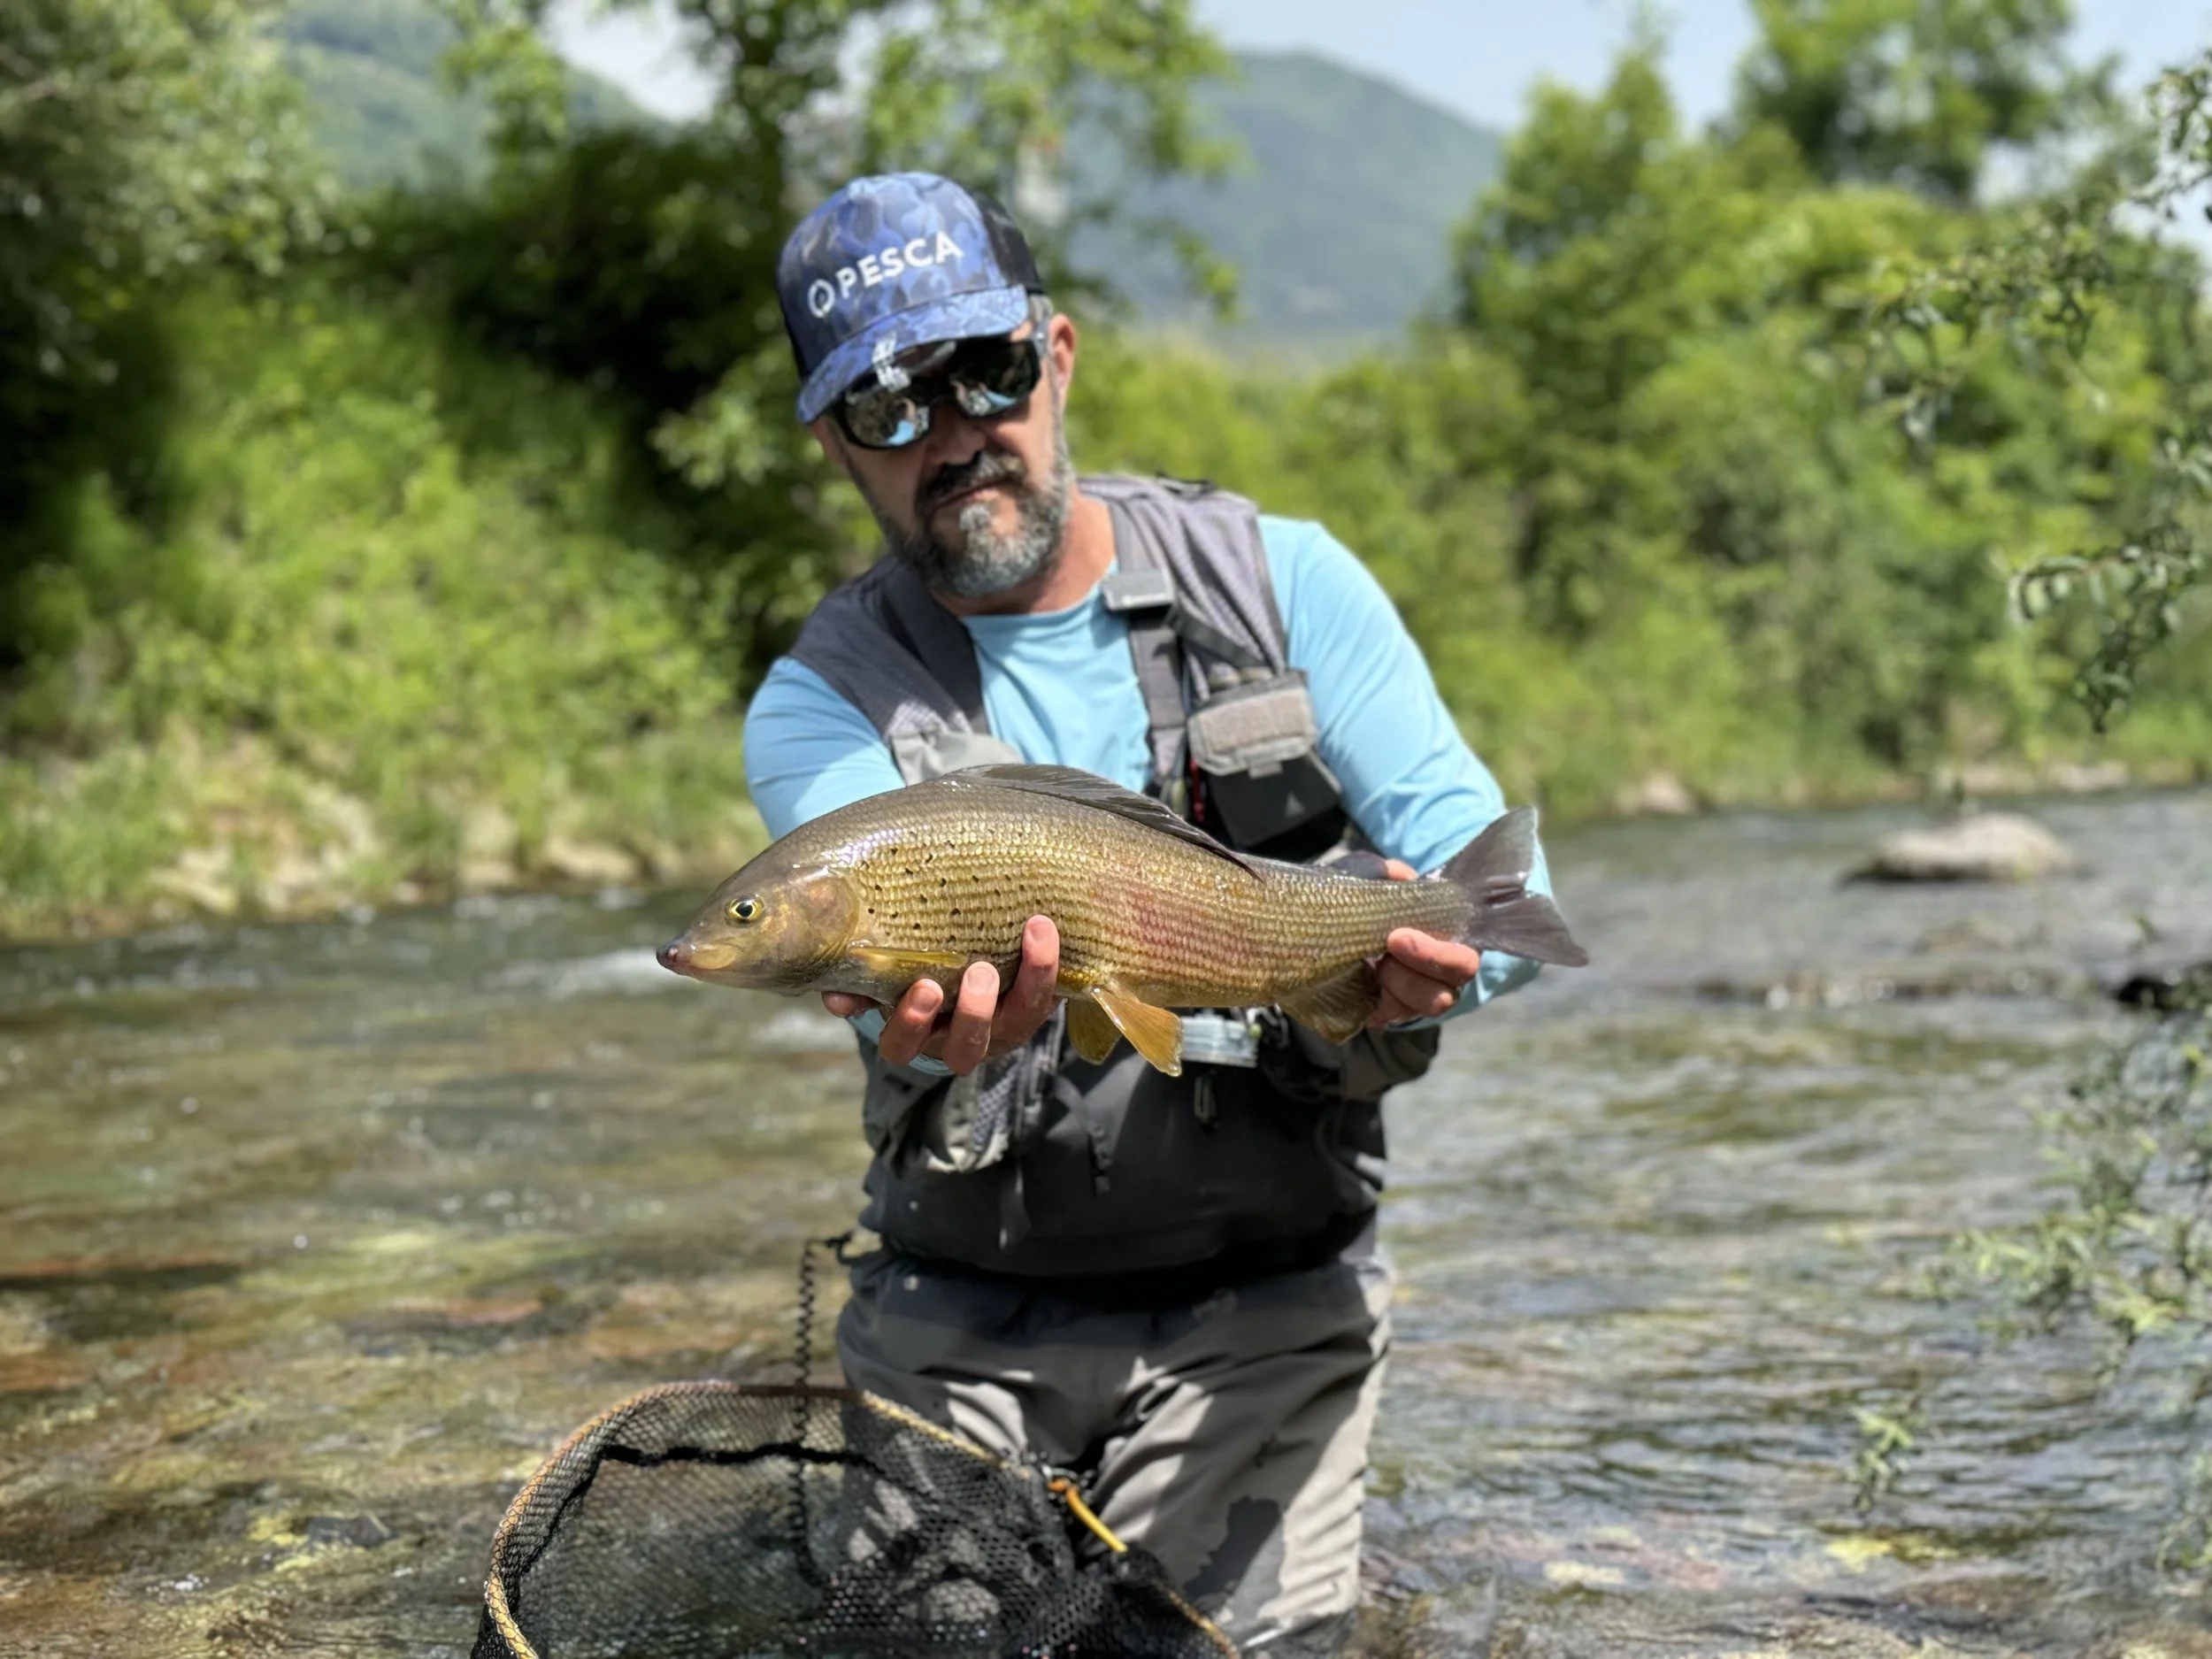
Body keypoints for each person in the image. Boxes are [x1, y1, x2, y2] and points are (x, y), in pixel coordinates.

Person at [745, 172, 1560, 1654]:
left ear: (1055, 358)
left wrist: (1429, 967)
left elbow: (1498, 885)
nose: (951, 435)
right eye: (887, 409)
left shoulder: (1283, 579)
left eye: (983, 373)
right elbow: (878, 988)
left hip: (1267, 1305)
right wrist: (927, 1037)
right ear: (835, 445)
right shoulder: (820, 706)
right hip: (958, 1319)